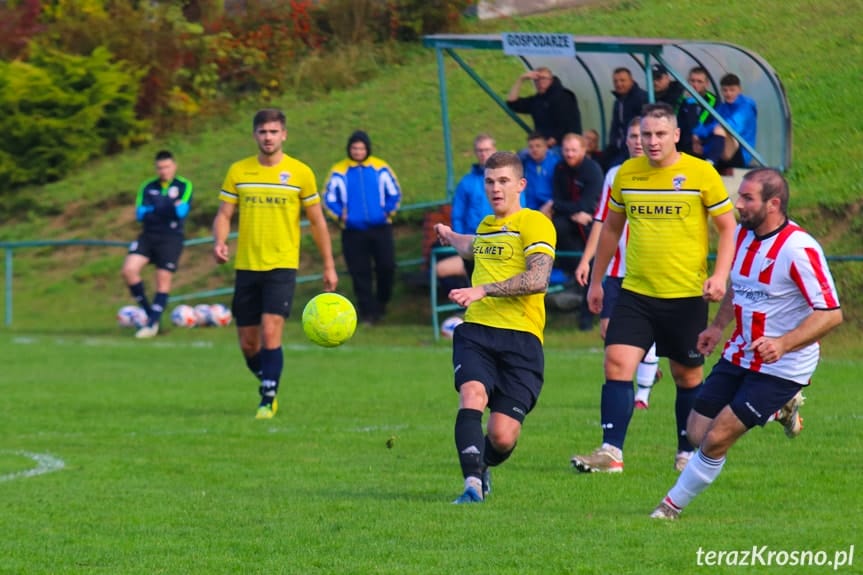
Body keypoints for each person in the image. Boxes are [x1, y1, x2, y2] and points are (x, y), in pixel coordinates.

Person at [650, 168, 843, 520]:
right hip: (740, 352)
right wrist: (717, 327)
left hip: (783, 366)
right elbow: (740, 287)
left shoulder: (798, 249)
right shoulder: (741, 236)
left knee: (717, 438)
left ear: (773, 204)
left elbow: (831, 314)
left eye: (747, 198)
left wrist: (783, 344)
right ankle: (780, 410)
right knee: (696, 433)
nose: (738, 204)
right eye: (739, 196)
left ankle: (669, 508)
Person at [570, 103, 737, 473]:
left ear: (676, 135)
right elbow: (612, 228)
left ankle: (686, 452)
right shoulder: (627, 174)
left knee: (686, 375)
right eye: (646, 134)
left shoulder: (701, 173)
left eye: (660, 134)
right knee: (616, 363)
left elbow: (728, 227)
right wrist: (597, 280)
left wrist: (720, 275)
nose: (652, 141)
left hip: (685, 294)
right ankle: (611, 452)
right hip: (636, 291)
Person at [433, 151, 556, 504]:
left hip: (522, 339)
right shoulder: (487, 225)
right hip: (477, 331)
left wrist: (483, 289)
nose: (495, 188)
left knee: (502, 436)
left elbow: (538, 279)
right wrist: (450, 235)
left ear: (521, 185)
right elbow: (475, 247)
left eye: (503, 181)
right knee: (472, 394)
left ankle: (483, 466)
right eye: (489, 182)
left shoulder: (534, 223)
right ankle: (471, 485)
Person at [212, 108, 338, 420]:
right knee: (248, 343)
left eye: (273, 132)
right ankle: (268, 378)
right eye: (263, 132)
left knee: (271, 330)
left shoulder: (300, 173)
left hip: (282, 265)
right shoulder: (239, 171)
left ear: (284, 135)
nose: (268, 137)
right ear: (254, 135)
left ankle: (268, 399)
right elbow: (224, 214)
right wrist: (220, 240)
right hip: (246, 265)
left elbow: (317, 222)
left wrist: (328, 265)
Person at [574, 117, 661, 409]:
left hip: (649, 270)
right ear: (626, 140)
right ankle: (645, 365)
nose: (639, 141)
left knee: (648, 330)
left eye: (642, 135)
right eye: (634, 136)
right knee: (608, 331)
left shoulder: (663, 174)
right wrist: (586, 261)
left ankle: (642, 395)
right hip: (615, 270)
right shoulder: (615, 174)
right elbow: (601, 222)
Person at [324, 130, 401, 325]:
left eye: (361, 148)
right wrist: (341, 215)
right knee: (360, 272)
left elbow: (395, 193)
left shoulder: (380, 167)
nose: (358, 152)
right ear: (349, 149)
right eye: (354, 148)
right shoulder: (339, 170)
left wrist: (387, 212)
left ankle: (382, 303)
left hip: (380, 228)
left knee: (387, 266)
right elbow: (328, 198)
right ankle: (367, 312)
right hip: (353, 231)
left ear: (367, 149)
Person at [121, 150, 193, 339]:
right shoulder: (147, 186)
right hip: (148, 235)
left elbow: (181, 212)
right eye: (160, 167)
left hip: (171, 236)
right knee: (129, 270)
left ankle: (152, 324)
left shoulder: (184, 185)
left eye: (167, 167)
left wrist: (154, 208)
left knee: (162, 278)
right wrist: (168, 205)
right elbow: (140, 214)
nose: (163, 171)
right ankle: (150, 316)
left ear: (174, 166)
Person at [550, 133, 603, 330]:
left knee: (590, 263)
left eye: (574, 150)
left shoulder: (592, 170)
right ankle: (571, 269)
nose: (569, 154)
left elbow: (587, 204)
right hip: (570, 222)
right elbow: (557, 202)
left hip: (592, 225)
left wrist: (566, 208)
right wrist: (572, 212)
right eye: (566, 150)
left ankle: (587, 317)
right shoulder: (560, 168)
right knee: (558, 226)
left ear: (583, 150)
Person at [450, 134, 497, 280]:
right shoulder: (466, 182)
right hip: (474, 243)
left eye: (487, 150)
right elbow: (457, 216)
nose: (483, 154)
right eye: (480, 150)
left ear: (494, 150)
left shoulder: (505, 179)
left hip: (501, 241)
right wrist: (461, 242)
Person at [693, 73, 758, 170]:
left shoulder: (746, 107)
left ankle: (710, 164)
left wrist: (704, 132)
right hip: (723, 150)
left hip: (741, 153)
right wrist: (698, 135)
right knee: (699, 136)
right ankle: (707, 162)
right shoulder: (723, 107)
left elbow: (731, 127)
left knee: (721, 129)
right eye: (725, 90)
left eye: (732, 90)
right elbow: (713, 124)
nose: (728, 94)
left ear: (739, 90)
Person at [506, 67, 582, 148]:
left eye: (543, 78)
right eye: (536, 80)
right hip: (542, 144)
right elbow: (512, 103)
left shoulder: (565, 96)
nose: (540, 82)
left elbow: (568, 123)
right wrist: (521, 79)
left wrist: (554, 139)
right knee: (522, 154)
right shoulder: (537, 100)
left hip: (565, 145)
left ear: (551, 80)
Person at [601, 67, 648, 171]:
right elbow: (615, 126)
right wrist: (613, 143)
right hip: (619, 147)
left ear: (631, 81)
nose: (619, 84)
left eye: (622, 80)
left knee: (615, 168)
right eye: (616, 81)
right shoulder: (618, 102)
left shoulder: (641, 98)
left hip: (634, 147)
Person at [676, 66, 717, 157]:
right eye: (692, 81)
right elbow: (676, 120)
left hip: (701, 145)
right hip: (680, 145)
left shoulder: (712, 101)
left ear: (706, 84)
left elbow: (698, 124)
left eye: (699, 81)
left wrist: (691, 104)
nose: (695, 85)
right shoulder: (681, 98)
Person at [519, 131, 560, 212]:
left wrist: (551, 204)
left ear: (546, 147)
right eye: (531, 147)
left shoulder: (556, 164)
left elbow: (562, 191)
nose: (534, 150)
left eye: (538, 146)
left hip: (550, 207)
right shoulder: (525, 162)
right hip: (529, 208)